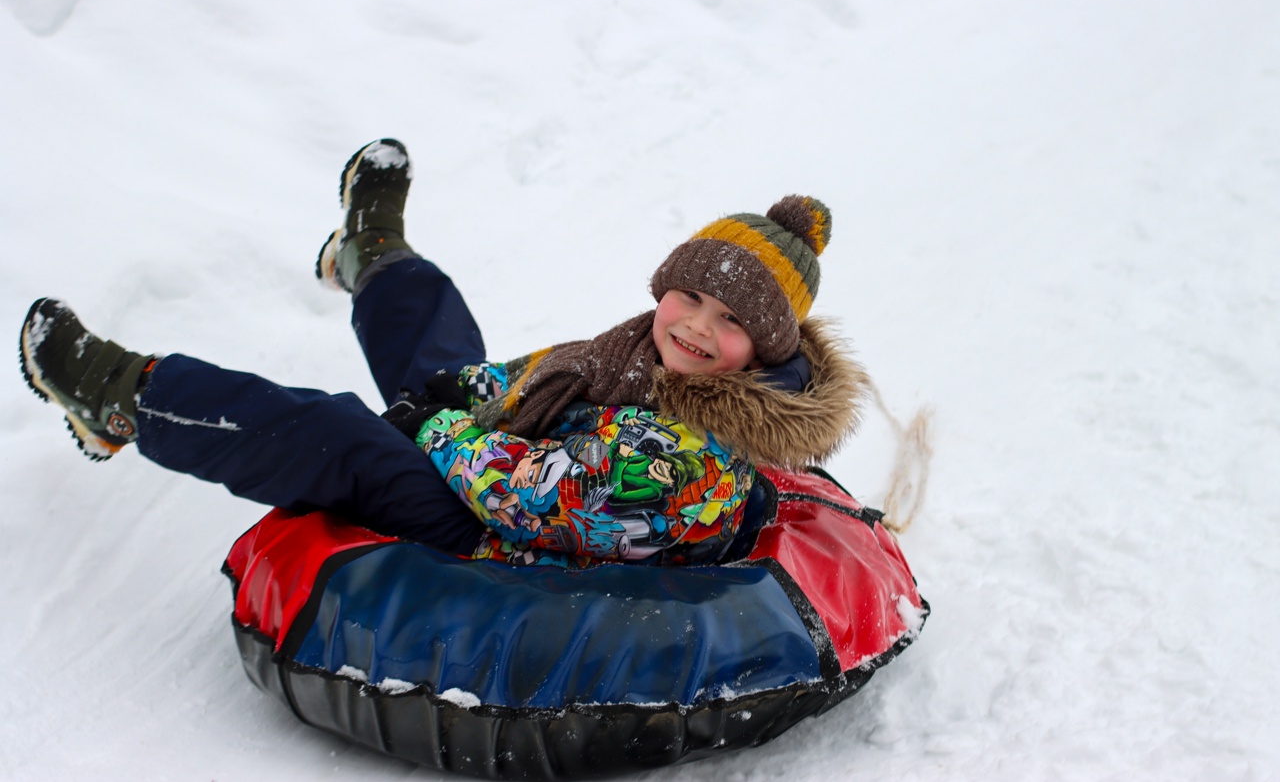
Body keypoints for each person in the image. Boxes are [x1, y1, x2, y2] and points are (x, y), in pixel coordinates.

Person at [19, 139, 867, 567]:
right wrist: (461, 393)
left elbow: (541, 498)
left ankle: (123, 399)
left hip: (514, 544)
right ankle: (371, 254)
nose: (693, 324)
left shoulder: (705, 452)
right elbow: (535, 382)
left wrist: (436, 431)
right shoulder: (650, 356)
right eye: (687, 295)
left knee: (343, 437)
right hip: (510, 475)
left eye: (727, 319)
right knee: (443, 365)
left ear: (764, 349)